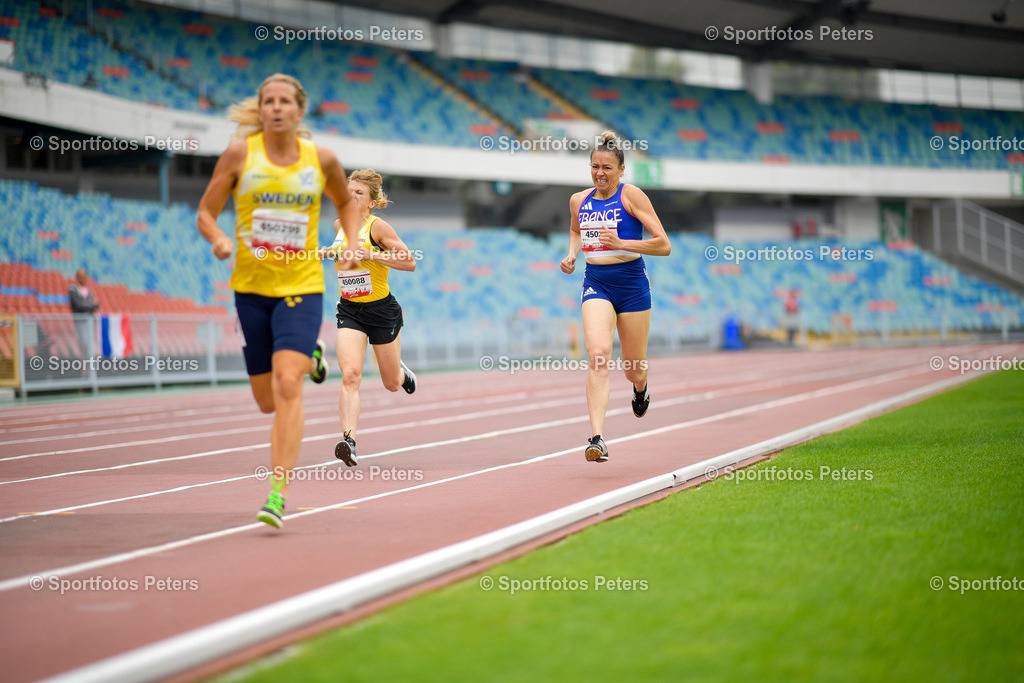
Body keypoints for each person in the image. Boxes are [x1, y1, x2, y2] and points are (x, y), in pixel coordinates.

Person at [197, 73, 362, 529]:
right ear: (261, 108)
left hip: (301, 285)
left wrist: (351, 242)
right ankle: (312, 355)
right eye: (267, 100)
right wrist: (218, 239)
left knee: (288, 385)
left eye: (284, 101)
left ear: (299, 110)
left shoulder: (321, 159)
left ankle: (278, 492)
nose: (275, 107)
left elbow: (345, 203)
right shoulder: (239, 156)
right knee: (267, 400)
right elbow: (206, 212)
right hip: (251, 290)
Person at [560, 131, 671, 463]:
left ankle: (641, 387)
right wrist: (572, 254)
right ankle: (596, 439)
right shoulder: (578, 201)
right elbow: (576, 229)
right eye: (595, 166)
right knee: (598, 355)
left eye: (607, 167)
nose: (600, 173)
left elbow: (663, 244)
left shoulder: (631, 196)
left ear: (621, 170)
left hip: (632, 284)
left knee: (633, 368)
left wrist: (622, 243)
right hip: (596, 282)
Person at [327, 169, 417, 466]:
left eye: (359, 193)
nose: (351, 197)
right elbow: (345, 259)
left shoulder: (378, 228)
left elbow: (410, 262)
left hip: (381, 311)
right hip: (350, 310)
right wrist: (328, 253)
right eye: (349, 191)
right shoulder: (339, 224)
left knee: (390, 382)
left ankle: (402, 373)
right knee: (350, 374)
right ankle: (349, 441)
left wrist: (372, 255)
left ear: (371, 203)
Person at [68, 267, 99, 357]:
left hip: (89, 321)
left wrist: (87, 304)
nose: (83, 279)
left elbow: (96, 304)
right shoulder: (73, 289)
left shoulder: (88, 290)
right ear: (77, 278)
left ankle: (90, 363)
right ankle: (83, 364)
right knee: (83, 343)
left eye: (84, 277)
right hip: (80, 321)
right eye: (81, 277)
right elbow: (79, 305)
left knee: (90, 343)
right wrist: (89, 304)